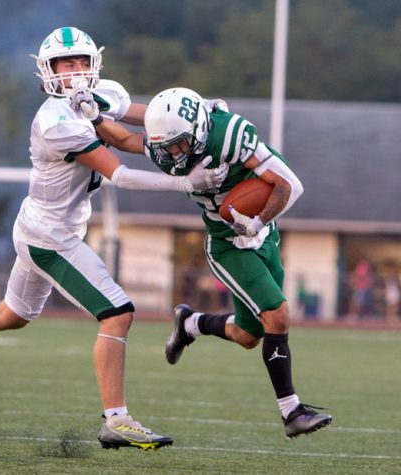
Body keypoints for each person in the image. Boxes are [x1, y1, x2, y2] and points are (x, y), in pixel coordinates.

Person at [0, 27, 227, 451]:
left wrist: (194, 114)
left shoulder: (102, 92)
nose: (75, 72)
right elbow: (118, 168)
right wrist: (186, 182)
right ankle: (116, 420)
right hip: (51, 237)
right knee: (118, 312)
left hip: (40, 226)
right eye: (66, 64)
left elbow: (141, 120)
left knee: (12, 314)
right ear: (47, 71)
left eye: (81, 62)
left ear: (94, 63)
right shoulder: (54, 121)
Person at [76, 86, 332, 439]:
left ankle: (190, 323)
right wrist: (95, 118)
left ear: (198, 128)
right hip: (228, 245)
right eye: (167, 147)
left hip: (262, 232)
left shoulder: (229, 135)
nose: (172, 155)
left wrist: (255, 223)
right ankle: (292, 412)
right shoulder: (168, 145)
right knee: (278, 314)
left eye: (179, 144)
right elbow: (125, 140)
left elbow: (291, 186)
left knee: (248, 335)